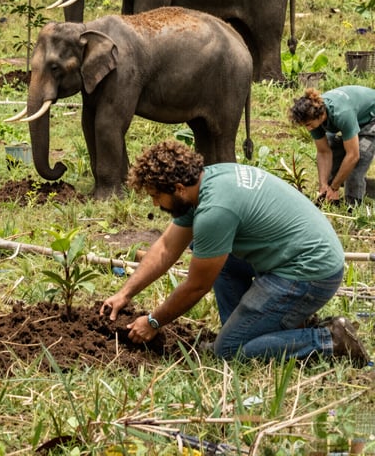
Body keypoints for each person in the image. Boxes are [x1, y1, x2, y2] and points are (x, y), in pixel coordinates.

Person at [100, 139, 370, 366]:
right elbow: (166, 248)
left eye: (156, 196)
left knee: (229, 351)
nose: (155, 203)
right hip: (291, 257)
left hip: (310, 273)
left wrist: (153, 322)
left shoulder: (215, 211)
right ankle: (246, 330)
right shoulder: (206, 181)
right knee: (211, 253)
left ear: (178, 189)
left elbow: (196, 286)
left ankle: (330, 340)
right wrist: (125, 293)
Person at [289, 85, 375, 206]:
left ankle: (353, 205)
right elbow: (324, 152)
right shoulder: (312, 118)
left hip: (371, 119)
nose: (308, 128)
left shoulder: (341, 114)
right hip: (355, 115)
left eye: (308, 124)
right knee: (334, 158)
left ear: (320, 115)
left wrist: (334, 187)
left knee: (357, 163)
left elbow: (353, 155)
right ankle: (331, 195)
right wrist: (323, 184)